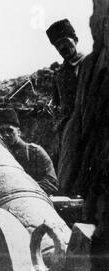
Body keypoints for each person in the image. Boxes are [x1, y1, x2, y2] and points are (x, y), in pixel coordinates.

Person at [46, 19, 86, 194]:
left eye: (65, 42)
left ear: (75, 40)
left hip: (88, 125)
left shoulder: (89, 64)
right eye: (57, 45)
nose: (62, 48)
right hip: (66, 130)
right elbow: (56, 104)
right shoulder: (59, 74)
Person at [0, 108, 59, 195]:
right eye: (1, 131)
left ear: (19, 132)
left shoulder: (35, 152)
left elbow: (52, 184)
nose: (6, 135)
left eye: (10, 130)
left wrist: (20, 188)